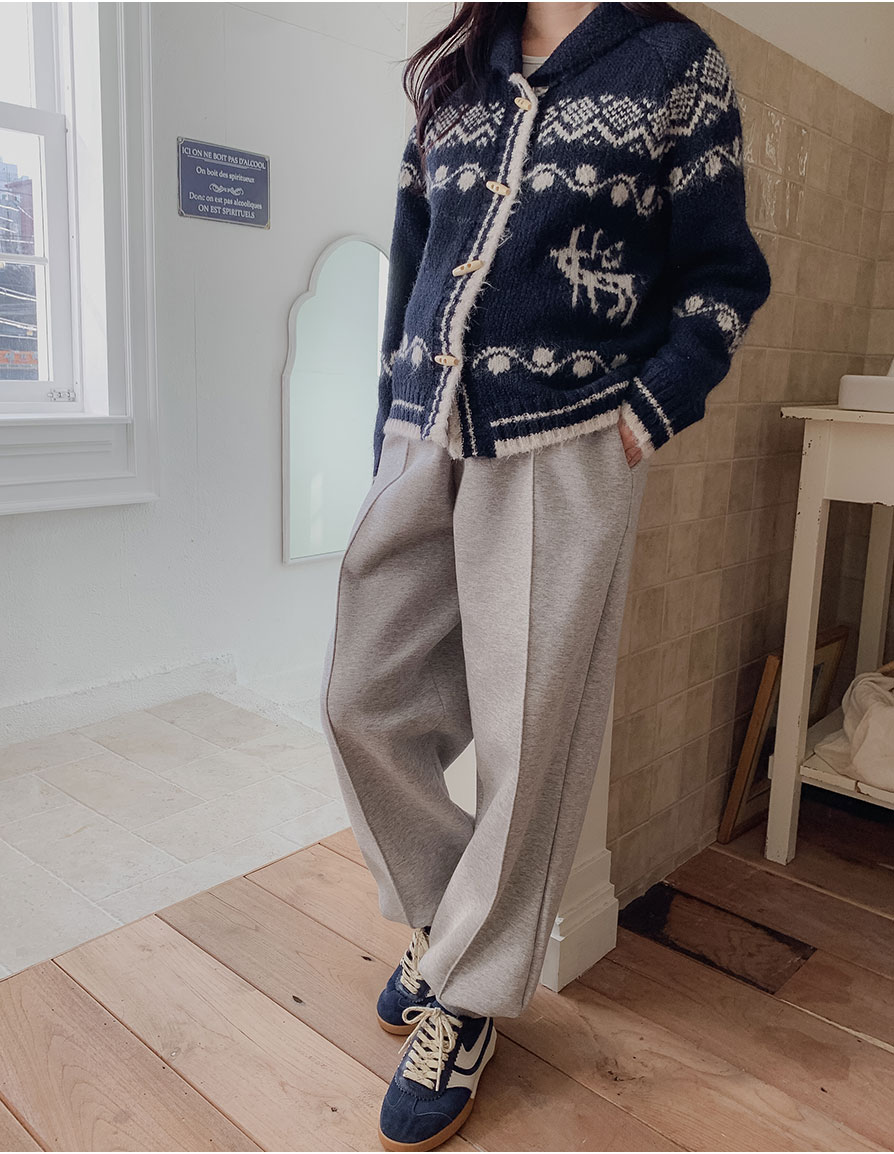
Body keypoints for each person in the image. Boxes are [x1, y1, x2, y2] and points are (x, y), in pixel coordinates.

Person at [320, 2, 772, 1149]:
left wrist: (646, 412)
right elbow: (411, 273)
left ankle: (466, 995)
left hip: (568, 440)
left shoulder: (674, 65)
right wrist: (388, 428)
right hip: (424, 426)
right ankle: (450, 927)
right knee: (361, 700)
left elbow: (723, 278)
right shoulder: (454, 77)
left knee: (530, 737)